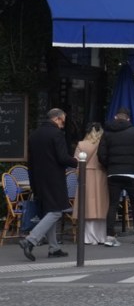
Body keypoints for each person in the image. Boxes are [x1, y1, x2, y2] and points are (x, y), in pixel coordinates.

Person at [19, 108, 78, 261]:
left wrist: (33, 183)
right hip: (54, 179)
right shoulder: (56, 134)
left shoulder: (34, 135)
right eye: (63, 121)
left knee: (48, 211)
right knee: (56, 211)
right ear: (57, 118)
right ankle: (31, 240)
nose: (63, 125)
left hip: (38, 179)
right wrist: (77, 161)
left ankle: (54, 248)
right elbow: (62, 157)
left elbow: (30, 162)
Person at [98, 106, 134, 247]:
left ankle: (109, 235)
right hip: (131, 173)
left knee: (113, 204)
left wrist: (110, 166)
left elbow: (101, 155)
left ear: (115, 117)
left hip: (113, 173)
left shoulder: (107, 133)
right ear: (128, 119)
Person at [75, 122, 110, 245]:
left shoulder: (81, 144)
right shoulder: (104, 144)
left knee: (87, 206)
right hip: (101, 174)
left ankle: (88, 237)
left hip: (86, 175)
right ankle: (101, 236)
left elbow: (77, 163)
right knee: (102, 205)